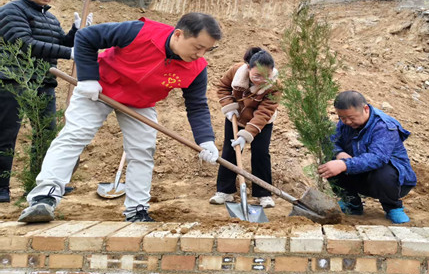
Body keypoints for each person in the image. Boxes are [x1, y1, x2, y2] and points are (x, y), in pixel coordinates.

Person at [18, 12, 222, 223]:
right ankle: (45, 197)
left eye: (207, 49)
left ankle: (137, 210)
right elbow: (86, 36)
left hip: (140, 103)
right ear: (178, 34)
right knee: (75, 135)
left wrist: (205, 140)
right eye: (198, 47)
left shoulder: (197, 68)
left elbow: (197, 105)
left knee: (143, 151)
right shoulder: (139, 31)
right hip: (99, 88)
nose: (201, 54)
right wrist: (88, 78)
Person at [0, 0, 91, 203]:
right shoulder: (11, 11)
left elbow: (59, 43)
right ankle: (1, 188)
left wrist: (76, 33)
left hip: (43, 82)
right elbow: (24, 43)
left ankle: (40, 184)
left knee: (46, 135)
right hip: (13, 80)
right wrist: (70, 52)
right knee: (6, 135)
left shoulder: (50, 18)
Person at [318, 90, 417, 224]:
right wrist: (339, 153)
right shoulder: (345, 123)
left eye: (351, 117)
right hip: (362, 174)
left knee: (383, 172)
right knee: (330, 163)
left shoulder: (384, 126)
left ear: (365, 109)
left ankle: (393, 207)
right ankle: (351, 204)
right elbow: (333, 141)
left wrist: (345, 164)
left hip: (395, 182)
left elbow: (378, 158)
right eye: (342, 118)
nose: (347, 122)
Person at [211, 47, 280, 208]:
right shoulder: (236, 71)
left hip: (261, 122)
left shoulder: (275, 86)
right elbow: (223, 87)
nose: (260, 80)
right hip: (236, 116)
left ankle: (263, 194)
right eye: (256, 76)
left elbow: (264, 112)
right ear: (248, 68)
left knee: (260, 154)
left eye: (266, 76)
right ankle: (224, 191)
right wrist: (229, 106)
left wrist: (246, 135)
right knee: (230, 151)